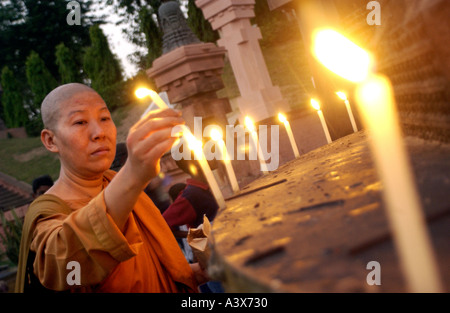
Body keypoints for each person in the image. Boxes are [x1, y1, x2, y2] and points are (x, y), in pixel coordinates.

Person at [15, 83, 208, 293]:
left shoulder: (118, 187)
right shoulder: (49, 213)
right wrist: (133, 174)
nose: (99, 132)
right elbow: (65, 267)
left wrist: (200, 272)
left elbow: (151, 275)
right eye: (80, 122)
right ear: (51, 140)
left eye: (105, 118)